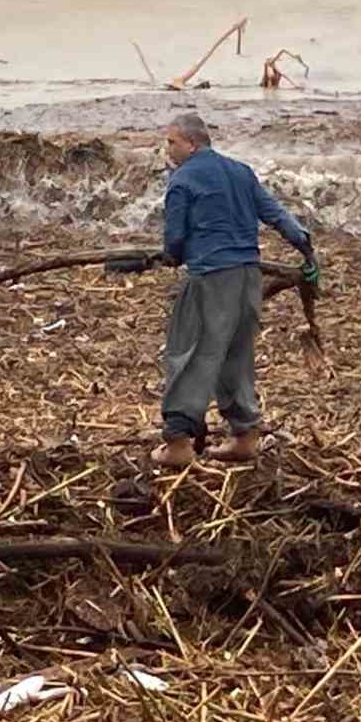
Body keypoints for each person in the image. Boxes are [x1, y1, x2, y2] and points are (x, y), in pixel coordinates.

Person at [144, 113, 319, 467]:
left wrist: (169, 257)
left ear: (191, 144)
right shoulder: (240, 171)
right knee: (236, 353)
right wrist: (304, 246)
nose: (168, 149)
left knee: (190, 350)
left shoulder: (183, 180)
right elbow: (274, 213)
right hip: (248, 276)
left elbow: (175, 239)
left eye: (171, 142)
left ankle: (178, 441)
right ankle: (244, 435)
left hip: (211, 274)